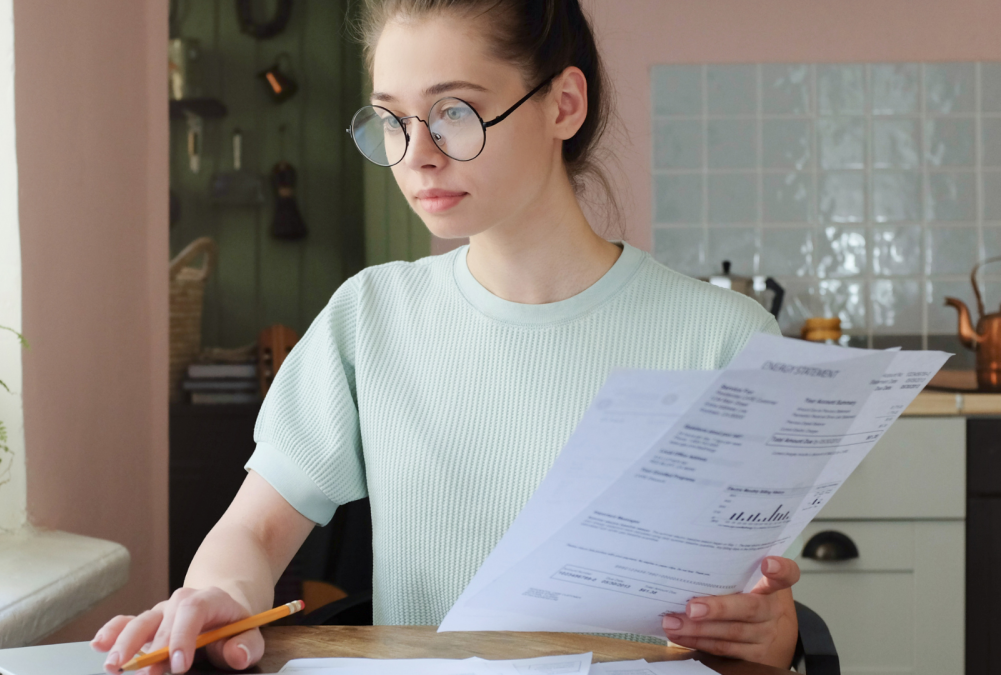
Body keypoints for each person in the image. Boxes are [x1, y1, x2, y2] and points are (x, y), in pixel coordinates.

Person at [92, 1, 800, 672]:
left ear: (563, 104)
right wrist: (221, 594)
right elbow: (252, 533)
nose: (417, 154)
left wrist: (772, 632)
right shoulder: (370, 317)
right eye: (392, 120)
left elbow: (759, 611)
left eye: (454, 113)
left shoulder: (725, 341)